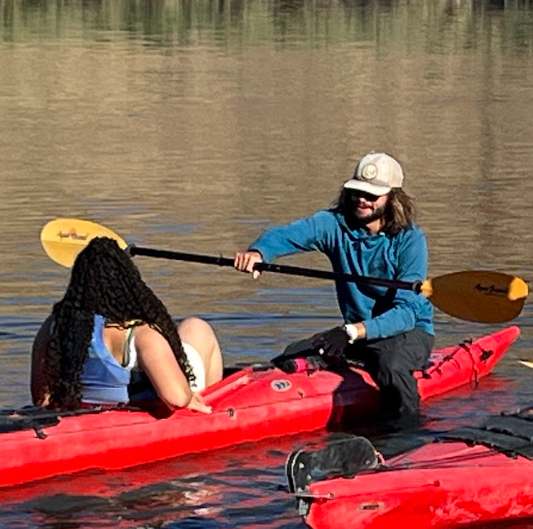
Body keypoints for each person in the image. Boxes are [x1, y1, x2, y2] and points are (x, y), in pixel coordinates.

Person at [234, 151, 434, 419]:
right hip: (357, 333)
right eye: (357, 192)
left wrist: (351, 332)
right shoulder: (335, 225)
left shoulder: (410, 240)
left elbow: (407, 314)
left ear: (393, 198)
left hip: (408, 333)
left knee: (391, 365)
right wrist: (259, 252)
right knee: (290, 354)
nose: (362, 199)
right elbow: (291, 234)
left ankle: (408, 433)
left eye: (372, 195)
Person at [30, 237, 223, 413]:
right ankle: (215, 406)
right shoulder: (140, 333)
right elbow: (177, 399)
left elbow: (41, 398)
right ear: (127, 283)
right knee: (196, 327)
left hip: (80, 413)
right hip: (133, 414)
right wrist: (189, 396)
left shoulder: (53, 326)